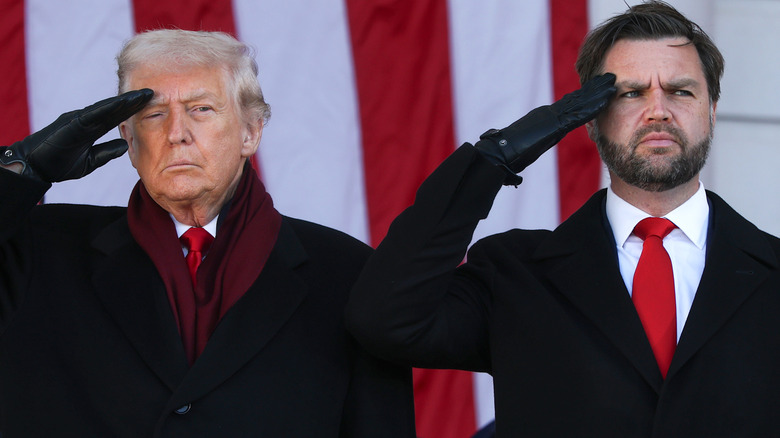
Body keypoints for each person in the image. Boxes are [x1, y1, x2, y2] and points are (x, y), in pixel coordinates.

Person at [345, 1, 780, 436]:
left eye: (681, 91)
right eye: (631, 93)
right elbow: (384, 318)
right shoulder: (515, 275)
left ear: (712, 111)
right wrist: (496, 157)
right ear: (590, 120)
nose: (658, 110)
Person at [0, 29, 414, 437]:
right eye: (153, 114)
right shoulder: (37, 246)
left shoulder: (348, 273)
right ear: (128, 137)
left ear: (250, 133)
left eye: (201, 109)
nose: (176, 132)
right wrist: (18, 173)